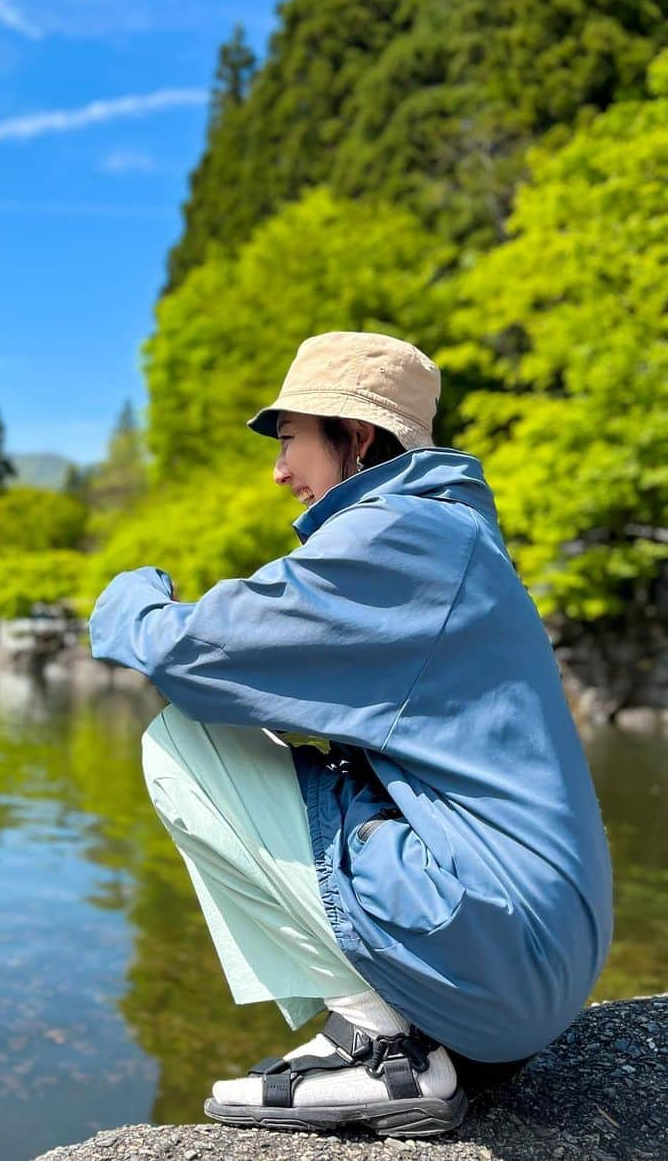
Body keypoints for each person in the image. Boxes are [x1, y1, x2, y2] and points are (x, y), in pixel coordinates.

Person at [88, 330, 613, 1140]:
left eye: (291, 437)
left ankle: (378, 1046)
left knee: (184, 747)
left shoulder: (402, 535)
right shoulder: (450, 537)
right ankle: (403, 1021)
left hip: (506, 954)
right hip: (527, 954)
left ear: (357, 437)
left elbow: (186, 654)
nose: (279, 469)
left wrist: (131, 591)